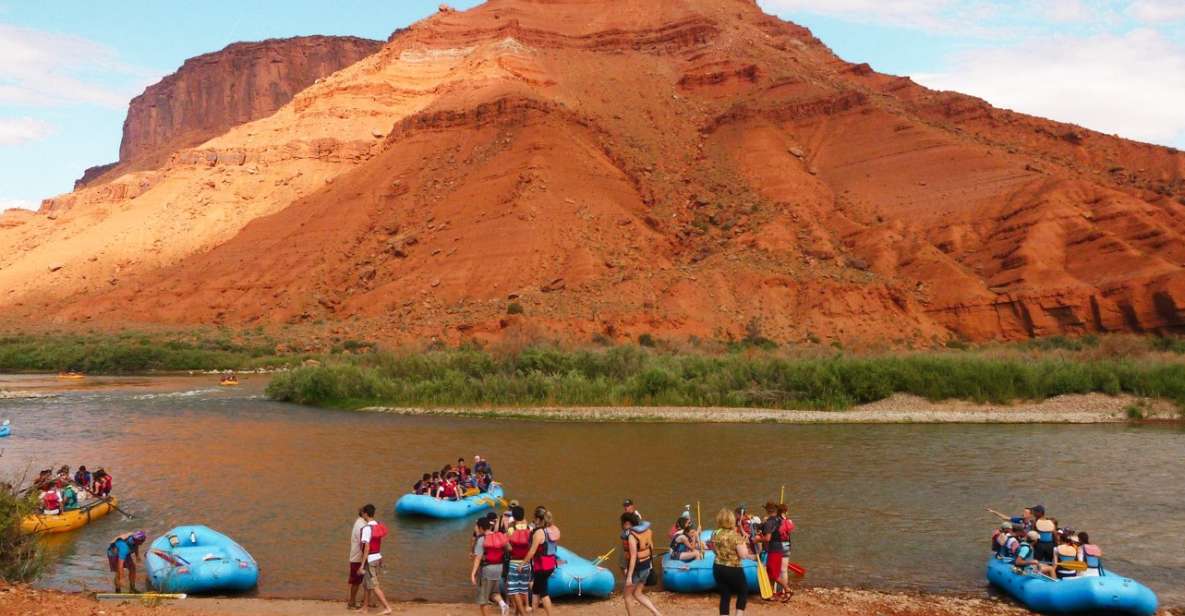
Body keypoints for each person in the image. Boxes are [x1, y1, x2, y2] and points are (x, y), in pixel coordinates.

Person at [713, 508, 754, 616]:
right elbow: (743, 555)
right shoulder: (736, 536)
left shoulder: (715, 534)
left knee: (725, 595)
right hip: (733, 568)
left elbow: (714, 550)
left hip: (717, 567)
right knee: (743, 591)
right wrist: (745, 544)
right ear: (732, 520)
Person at [620, 512, 661, 616]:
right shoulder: (647, 531)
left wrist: (629, 577)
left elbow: (633, 557)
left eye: (623, 523)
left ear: (628, 523)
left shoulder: (632, 536)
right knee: (638, 594)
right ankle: (657, 613)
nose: (622, 526)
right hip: (646, 567)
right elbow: (651, 547)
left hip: (636, 570)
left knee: (627, 596)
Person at [471, 517, 510, 616]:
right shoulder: (498, 536)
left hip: (487, 570)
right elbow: (509, 548)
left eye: (477, 527)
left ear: (480, 527)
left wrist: (473, 573)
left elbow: (478, 558)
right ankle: (503, 604)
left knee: (483, 600)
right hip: (499, 568)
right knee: (494, 592)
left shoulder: (482, 539)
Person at [358, 505, 392, 615]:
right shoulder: (377, 525)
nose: (362, 515)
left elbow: (367, 547)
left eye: (363, 513)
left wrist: (362, 565)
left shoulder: (367, 529)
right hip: (377, 557)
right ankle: (365, 608)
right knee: (366, 584)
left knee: (374, 585)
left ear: (366, 514)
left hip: (370, 559)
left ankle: (387, 607)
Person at [759, 502, 791, 601]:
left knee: (772, 574)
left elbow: (768, 538)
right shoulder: (778, 520)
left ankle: (788, 589)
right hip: (780, 548)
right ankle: (771, 594)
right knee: (771, 572)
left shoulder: (769, 522)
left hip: (773, 549)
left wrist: (758, 540)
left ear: (768, 510)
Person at [505, 506, 533, 615]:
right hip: (526, 563)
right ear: (523, 515)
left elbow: (508, 546)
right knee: (522, 589)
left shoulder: (511, 529)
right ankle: (517, 613)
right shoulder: (529, 528)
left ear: (513, 516)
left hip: (514, 562)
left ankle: (523, 614)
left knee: (514, 590)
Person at [348, 506, 368, 610]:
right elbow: (362, 543)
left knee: (358, 580)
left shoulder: (360, 523)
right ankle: (351, 602)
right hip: (358, 557)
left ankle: (358, 601)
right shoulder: (361, 525)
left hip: (357, 557)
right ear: (364, 514)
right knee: (356, 581)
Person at [776, 503, 796, 587]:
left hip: (776, 545)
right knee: (784, 570)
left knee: (777, 568)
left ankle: (781, 588)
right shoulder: (788, 522)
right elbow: (791, 529)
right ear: (785, 512)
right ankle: (785, 589)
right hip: (785, 545)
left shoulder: (775, 521)